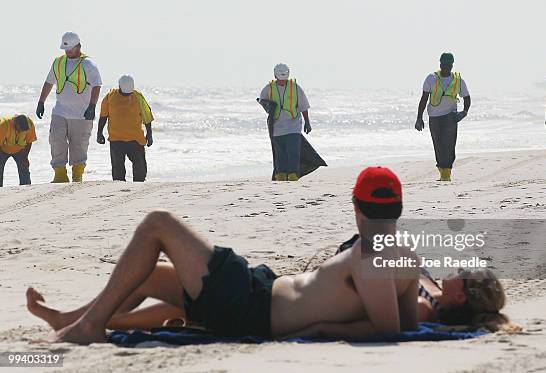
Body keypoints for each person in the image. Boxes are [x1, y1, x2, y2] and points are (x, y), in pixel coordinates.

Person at [25, 167, 422, 344]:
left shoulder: (370, 255)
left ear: (356, 207)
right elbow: (405, 323)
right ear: (399, 209)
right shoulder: (404, 255)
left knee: (157, 224)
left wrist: (321, 330)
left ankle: (90, 325)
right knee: (145, 273)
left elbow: (388, 332)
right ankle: (72, 319)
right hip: (256, 291)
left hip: (250, 304)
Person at [36, 32, 102, 183]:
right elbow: (49, 82)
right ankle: (60, 174)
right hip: (60, 112)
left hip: (82, 114)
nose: (68, 52)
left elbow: (97, 85)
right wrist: (41, 102)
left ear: (79, 46)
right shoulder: (58, 62)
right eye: (66, 49)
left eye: (71, 49)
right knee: (55, 139)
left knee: (79, 146)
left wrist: (92, 106)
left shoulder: (88, 64)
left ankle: (77, 175)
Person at [415, 53, 471, 182]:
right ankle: (442, 171)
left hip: (451, 117)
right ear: (440, 64)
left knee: (449, 145)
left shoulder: (458, 80)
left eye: (448, 65)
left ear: (452, 65)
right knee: (438, 145)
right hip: (434, 117)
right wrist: (419, 118)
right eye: (443, 64)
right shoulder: (431, 78)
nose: (445, 67)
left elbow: (467, 97)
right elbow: (424, 99)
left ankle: (446, 174)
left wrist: (464, 112)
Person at [259, 63, 311, 181]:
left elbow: (303, 106)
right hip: (276, 127)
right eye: (280, 79)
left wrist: (307, 122)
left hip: (293, 125)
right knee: (280, 154)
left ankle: (293, 175)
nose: (282, 82)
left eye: (284, 79)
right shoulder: (269, 88)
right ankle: (280, 175)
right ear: (275, 76)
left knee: (293, 152)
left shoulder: (295, 87)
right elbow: (262, 100)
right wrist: (268, 108)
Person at [97, 75, 154, 182]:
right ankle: (119, 191)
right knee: (118, 171)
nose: (127, 95)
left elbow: (147, 116)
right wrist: (99, 133)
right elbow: (103, 116)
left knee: (140, 170)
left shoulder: (138, 96)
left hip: (135, 139)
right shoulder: (110, 96)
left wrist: (149, 134)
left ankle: (139, 188)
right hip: (116, 139)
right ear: (119, 86)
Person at [0, 115, 37, 187]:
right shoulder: (3, 125)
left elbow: (29, 142)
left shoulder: (30, 124)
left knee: (24, 166)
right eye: (20, 129)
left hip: (20, 150)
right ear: (15, 124)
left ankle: (26, 188)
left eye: (24, 130)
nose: (21, 131)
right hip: (2, 149)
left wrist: (25, 156)